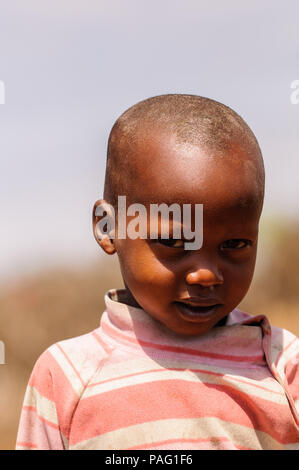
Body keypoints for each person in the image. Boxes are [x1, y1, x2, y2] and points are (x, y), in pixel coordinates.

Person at [16, 95, 299, 450]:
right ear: (109, 226)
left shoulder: (283, 364)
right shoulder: (66, 375)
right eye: (174, 242)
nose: (206, 274)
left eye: (235, 245)